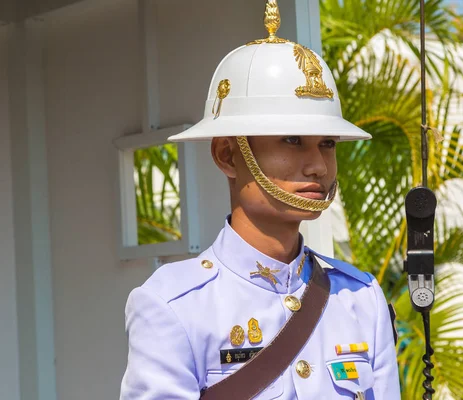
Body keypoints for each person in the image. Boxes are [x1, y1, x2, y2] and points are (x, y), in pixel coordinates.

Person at [119, 1, 401, 398]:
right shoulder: (172, 304)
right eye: (292, 140)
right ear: (227, 155)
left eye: (327, 144)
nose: (318, 166)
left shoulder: (360, 297)